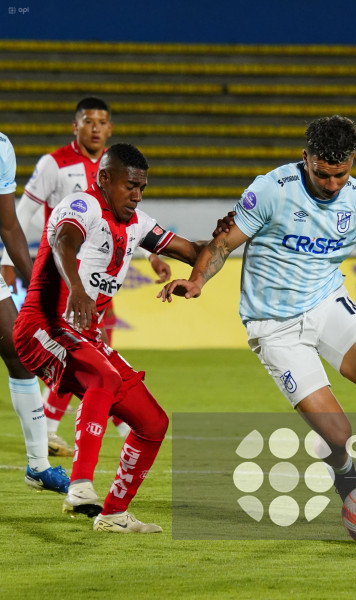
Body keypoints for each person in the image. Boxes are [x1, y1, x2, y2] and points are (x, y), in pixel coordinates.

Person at [159, 115, 356, 537]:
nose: (331, 184)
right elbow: (223, 243)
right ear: (304, 158)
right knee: (337, 433)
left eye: (340, 175)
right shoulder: (272, 190)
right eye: (322, 174)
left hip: (328, 305)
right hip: (274, 326)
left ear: (352, 164)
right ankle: (350, 483)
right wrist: (198, 280)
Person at [13, 143, 205, 533]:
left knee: (153, 423)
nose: (136, 195)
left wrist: (233, 241)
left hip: (84, 336)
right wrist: (78, 290)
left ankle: (114, 513)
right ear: (104, 179)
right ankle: (80, 486)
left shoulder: (137, 224)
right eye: (130, 186)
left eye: (142, 188)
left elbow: (191, 250)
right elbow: (64, 241)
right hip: (43, 326)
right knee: (105, 377)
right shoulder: (81, 206)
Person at [1, 97, 170, 457]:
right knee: (81, 353)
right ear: (74, 125)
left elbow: (125, 221)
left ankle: (82, 423)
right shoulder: (54, 164)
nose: (95, 128)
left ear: (110, 128)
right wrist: (6, 259)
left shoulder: (119, 169)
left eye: (102, 122)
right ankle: (95, 424)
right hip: (63, 274)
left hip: (101, 273)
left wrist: (152, 255)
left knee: (88, 353)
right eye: (88, 121)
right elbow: (25, 212)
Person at [0, 132, 69, 494]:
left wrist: (36, 288)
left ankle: (38, 466)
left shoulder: (1, 148)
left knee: (18, 354)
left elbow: (9, 223)